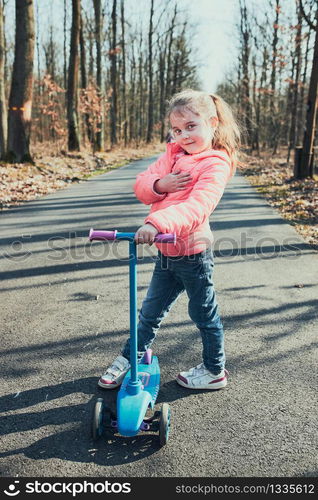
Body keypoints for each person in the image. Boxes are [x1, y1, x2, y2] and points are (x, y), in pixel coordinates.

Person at [98, 89, 240, 391]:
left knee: (203, 313)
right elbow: (141, 184)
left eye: (191, 126)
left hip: (193, 254)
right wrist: (160, 184)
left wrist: (155, 222)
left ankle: (215, 369)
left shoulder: (215, 163)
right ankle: (132, 356)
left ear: (212, 123)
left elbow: (198, 206)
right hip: (166, 252)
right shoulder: (172, 155)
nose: (183, 136)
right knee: (149, 312)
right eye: (177, 130)